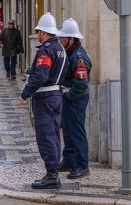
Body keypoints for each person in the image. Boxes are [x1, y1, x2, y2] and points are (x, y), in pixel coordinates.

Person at [19, 12, 68, 190]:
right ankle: (52, 173)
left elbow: (41, 75)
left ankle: (52, 175)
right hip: (56, 95)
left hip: (45, 98)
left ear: (43, 33)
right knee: (54, 136)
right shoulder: (61, 49)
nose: (38, 34)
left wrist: (25, 93)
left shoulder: (46, 49)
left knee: (46, 136)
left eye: (39, 31)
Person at [57, 18, 92, 179]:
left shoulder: (79, 56)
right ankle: (69, 160)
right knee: (68, 131)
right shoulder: (70, 52)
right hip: (69, 96)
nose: (60, 40)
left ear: (72, 39)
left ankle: (82, 165)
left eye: (63, 37)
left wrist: (69, 96)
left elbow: (81, 84)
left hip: (75, 98)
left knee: (77, 132)